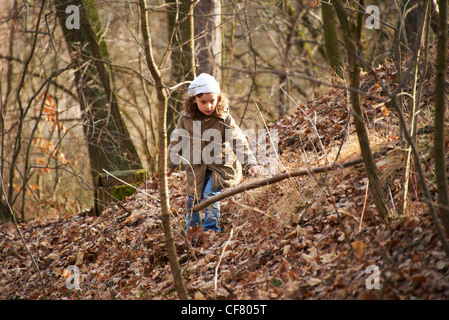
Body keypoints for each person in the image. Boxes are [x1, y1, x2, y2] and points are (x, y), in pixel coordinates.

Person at [167, 73, 263, 234]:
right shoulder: (186, 119)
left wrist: (250, 164)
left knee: (210, 194)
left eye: (212, 101)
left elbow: (238, 141)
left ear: (218, 99)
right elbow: (176, 142)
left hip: (221, 165)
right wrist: (170, 164)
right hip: (196, 166)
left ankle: (211, 230)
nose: (209, 106)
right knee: (193, 198)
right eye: (203, 102)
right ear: (194, 100)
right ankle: (193, 231)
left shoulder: (223, 118)